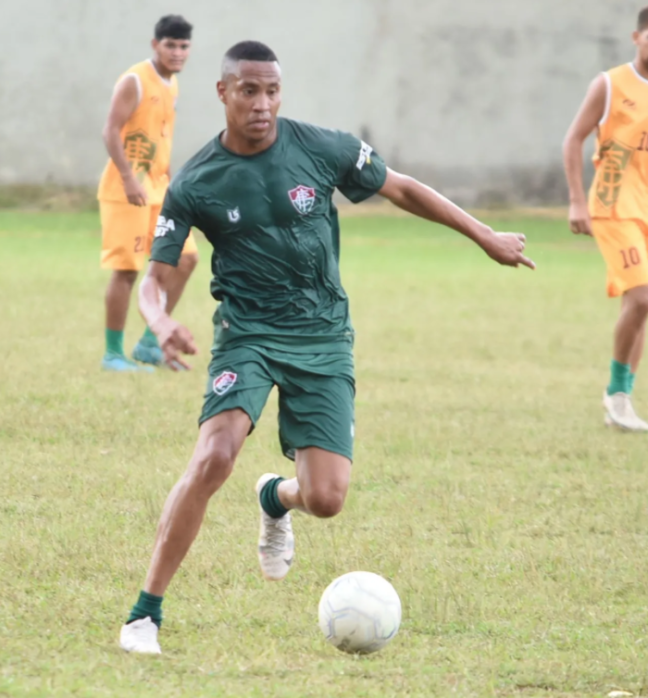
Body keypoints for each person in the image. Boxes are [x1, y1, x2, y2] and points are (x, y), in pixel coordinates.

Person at [118, 40, 534, 654]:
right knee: (214, 455)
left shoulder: (322, 147)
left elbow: (403, 188)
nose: (263, 104)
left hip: (322, 334)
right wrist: (157, 324)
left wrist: (482, 234)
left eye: (272, 91)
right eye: (249, 91)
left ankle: (274, 497)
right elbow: (152, 282)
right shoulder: (197, 183)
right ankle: (144, 615)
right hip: (249, 335)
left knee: (326, 498)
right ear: (223, 93)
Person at [563, 2, 648, 432]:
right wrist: (577, 200)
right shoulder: (611, 84)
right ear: (637, 37)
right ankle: (615, 393)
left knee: (640, 306)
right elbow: (573, 138)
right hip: (612, 204)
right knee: (645, 297)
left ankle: (623, 403)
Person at [97, 15, 199, 372]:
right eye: (170, 45)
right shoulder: (135, 80)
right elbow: (110, 130)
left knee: (186, 258)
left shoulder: (171, 85)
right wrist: (128, 178)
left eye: (184, 46)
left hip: (160, 191)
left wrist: (174, 185)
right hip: (126, 190)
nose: (177, 52)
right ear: (155, 45)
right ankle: (112, 354)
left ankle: (151, 342)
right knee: (127, 271)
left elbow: (161, 140)